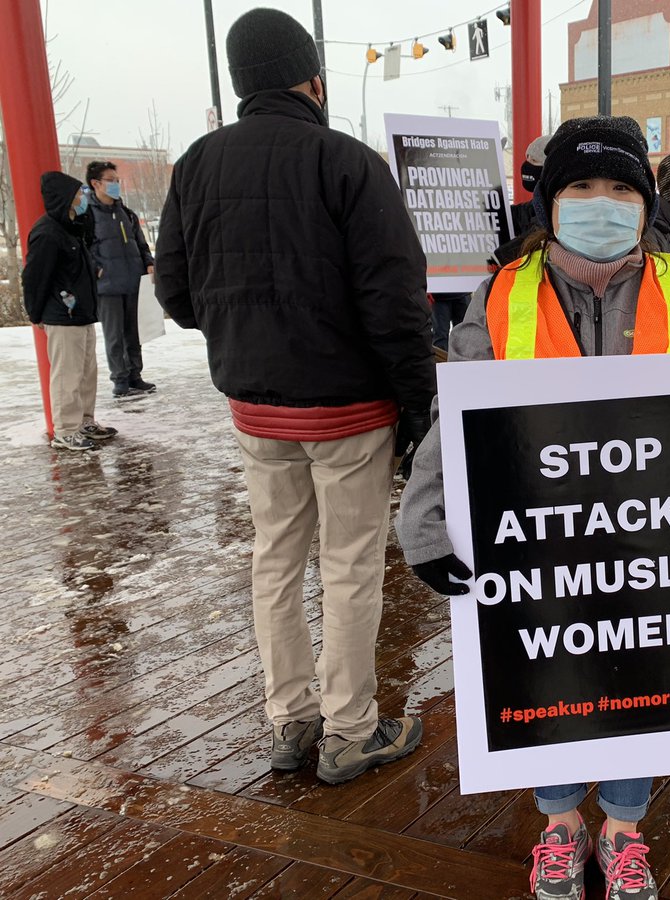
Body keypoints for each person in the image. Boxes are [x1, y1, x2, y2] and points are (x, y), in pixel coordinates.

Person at [396, 115, 670, 900]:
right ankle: (558, 822)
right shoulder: (501, 296)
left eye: (620, 188)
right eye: (581, 186)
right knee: (546, 671)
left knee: (640, 671)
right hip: (539, 539)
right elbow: (459, 415)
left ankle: (623, 825)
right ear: (549, 200)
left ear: (646, 204)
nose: (601, 202)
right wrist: (426, 520)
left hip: (655, 540)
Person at [155, 8, 435, 784]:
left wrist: (237, 327)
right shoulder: (348, 163)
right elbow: (395, 303)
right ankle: (350, 730)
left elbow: (175, 291)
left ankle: (289, 721)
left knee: (274, 558)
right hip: (349, 410)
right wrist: (419, 404)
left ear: (241, 82)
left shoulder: (196, 163)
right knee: (347, 565)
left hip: (255, 408)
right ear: (313, 79)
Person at [22, 172, 119, 451]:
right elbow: (34, 277)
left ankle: (84, 421)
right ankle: (66, 430)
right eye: (78, 195)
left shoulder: (71, 227)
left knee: (87, 373)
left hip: (82, 314)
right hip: (62, 315)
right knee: (68, 375)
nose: (82, 199)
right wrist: (35, 313)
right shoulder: (48, 233)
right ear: (64, 198)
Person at [83, 161, 157, 398]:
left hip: (133, 281)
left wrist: (148, 262)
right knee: (114, 336)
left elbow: (140, 243)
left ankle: (135, 375)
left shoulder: (126, 213)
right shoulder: (88, 216)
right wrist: (97, 269)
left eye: (117, 180)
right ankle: (120, 379)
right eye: (111, 180)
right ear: (96, 183)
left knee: (134, 333)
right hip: (108, 287)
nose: (116, 184)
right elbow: (84, 249)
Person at [495, 134, 553, 267]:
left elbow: (534, 239)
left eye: (534, 160)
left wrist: (494, 259)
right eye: (527, 158)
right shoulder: (535, 206)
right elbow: (511, 215)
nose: (527, 164)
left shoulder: (555, 208)